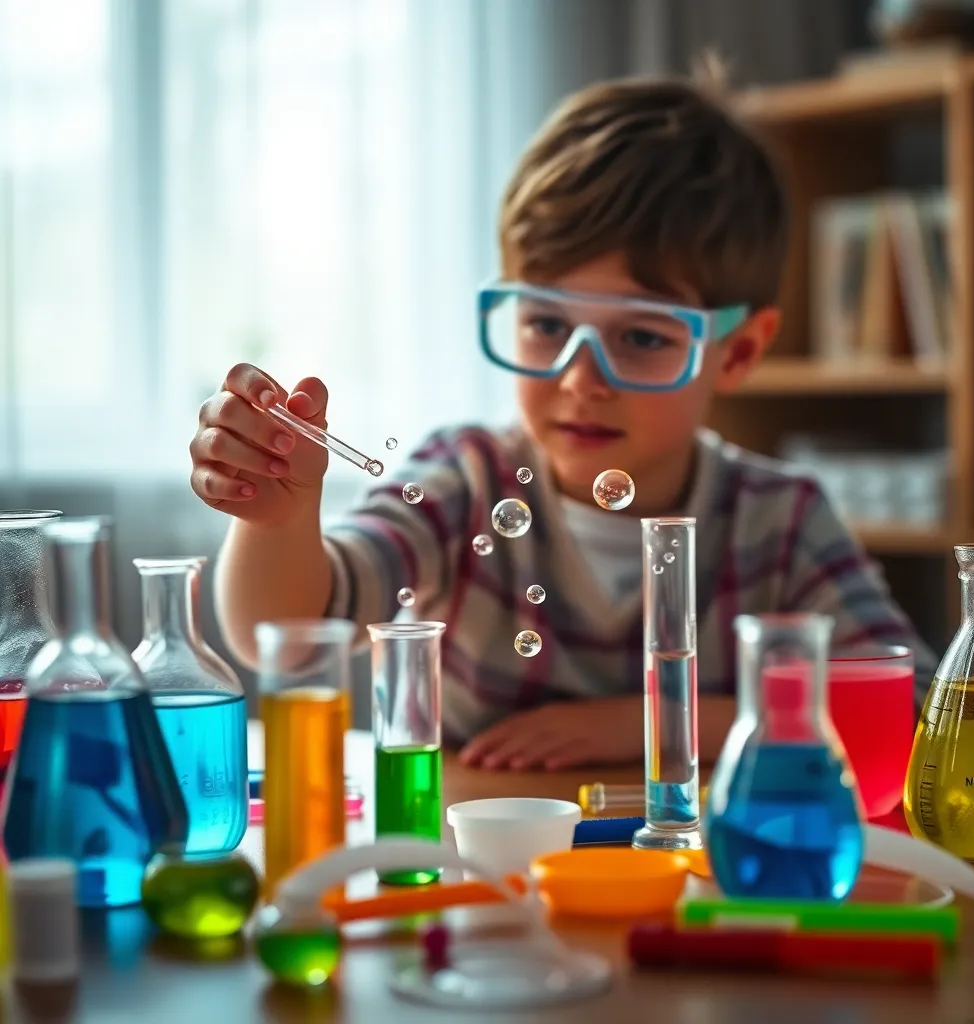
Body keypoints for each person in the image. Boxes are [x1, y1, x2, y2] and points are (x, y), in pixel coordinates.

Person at [189, 70, 935, 771]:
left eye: (642, 337)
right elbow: (283, 636)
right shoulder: (465, 479)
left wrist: (649, 719)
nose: (581, 380)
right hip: (487, 893)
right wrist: (278, 520)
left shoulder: (781, 521)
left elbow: (915, 708)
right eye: (546, 324)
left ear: (736, 352)